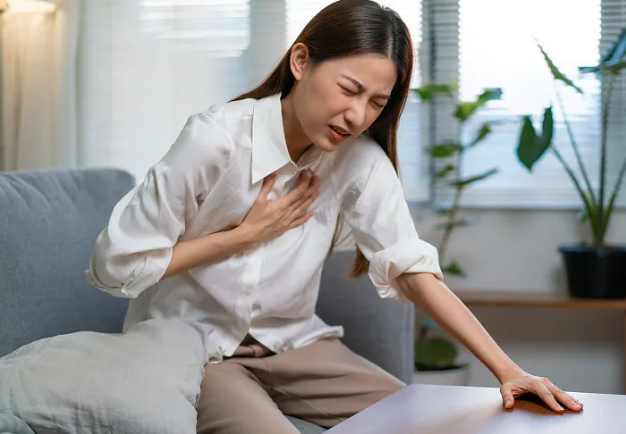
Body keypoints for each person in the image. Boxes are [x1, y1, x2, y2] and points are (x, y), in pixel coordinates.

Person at [86, 1, 583, 433]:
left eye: (376, 103)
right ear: (301, 61)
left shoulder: (360, 161)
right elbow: (116, 265)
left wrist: (507, 370)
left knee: (429, 418)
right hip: (196, 349)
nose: (358, 115)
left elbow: (414, 270)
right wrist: (243, 237)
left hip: (294, 346)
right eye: (349, 89)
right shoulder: (214, 139)